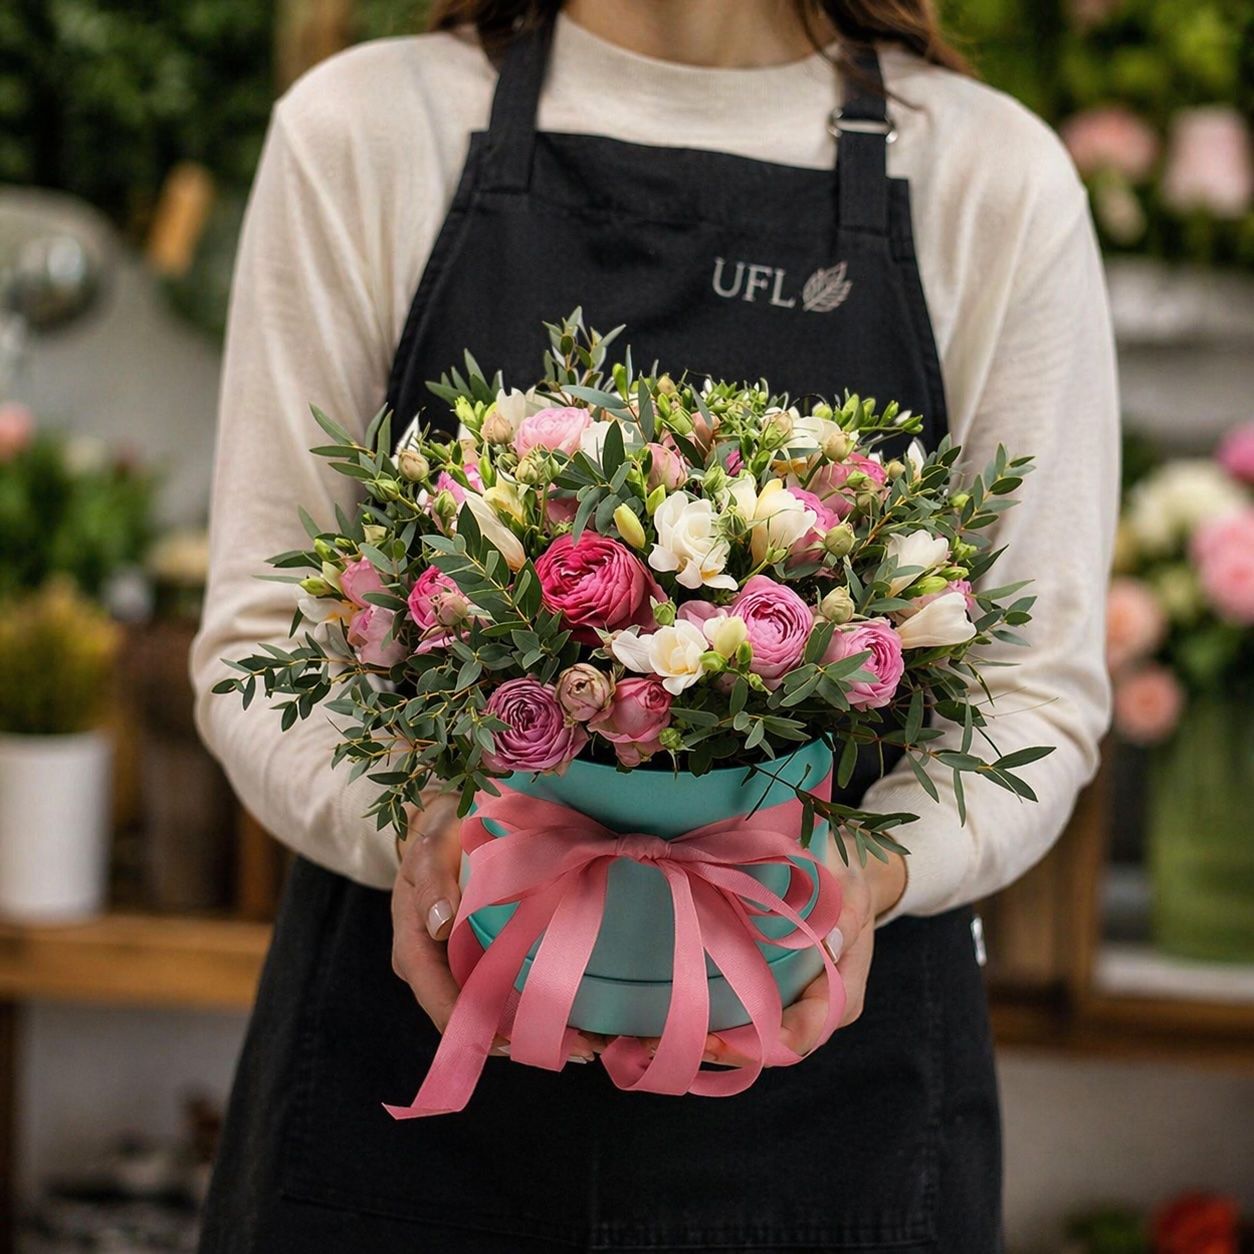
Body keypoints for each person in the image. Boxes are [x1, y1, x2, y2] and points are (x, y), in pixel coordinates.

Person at [189, 1, 1118, 1249]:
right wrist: (421, 836)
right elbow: (262, 637)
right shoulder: (365, 130)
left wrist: (864, 875)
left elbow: (1035, 690)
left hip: (829, 1127)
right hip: (406, 1107)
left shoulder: (990, 178)